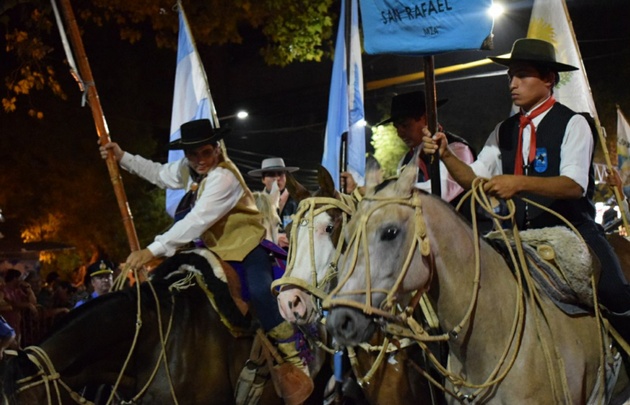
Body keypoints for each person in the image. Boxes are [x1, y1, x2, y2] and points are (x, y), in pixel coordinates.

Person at [422, 38, 630, 340]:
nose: (512, 83)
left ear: (549, 79)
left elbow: (573, 186)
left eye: (522, 75)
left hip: (573, 230)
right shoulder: (503, 130)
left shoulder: (574, 124)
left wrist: (518, 182)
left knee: (615, 291)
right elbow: (473, 179)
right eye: (510, 76)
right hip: (516, 235)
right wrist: (445, 154)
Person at [100, 119, 311, 401]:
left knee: (262, 291)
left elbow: (196, 221)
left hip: (249, 248)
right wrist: (123, 157)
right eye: (193, 154)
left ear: (216, 149)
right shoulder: (191, 169)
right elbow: (161, 174)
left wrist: (151, 251)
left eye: (205, 153)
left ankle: (294, 358)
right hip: (214, 251)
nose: (199, 160)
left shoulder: (224, 177)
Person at [342, 90, 475, 207]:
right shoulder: (406, 160)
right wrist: (358, 190)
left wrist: (376, 191)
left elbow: (440, 192)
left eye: (405, 125)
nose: (400, 133)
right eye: (396, 128)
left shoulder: (457, 150)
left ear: (426, 119)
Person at [248, 157, 300, 249]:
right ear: (263, 179)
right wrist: (276, 238)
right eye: (271, 175)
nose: (277, 178)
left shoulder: (298, 201)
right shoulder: (254, 203)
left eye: (281, 174)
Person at [1, 269, 37, 345]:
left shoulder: (17, 291)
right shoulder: (3, 290)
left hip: (16, 324)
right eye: (19, 278)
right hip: (6, 324)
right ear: (15, 278)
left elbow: (33, 302)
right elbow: (12, 304)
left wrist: (29, 289)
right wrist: (28, 305)